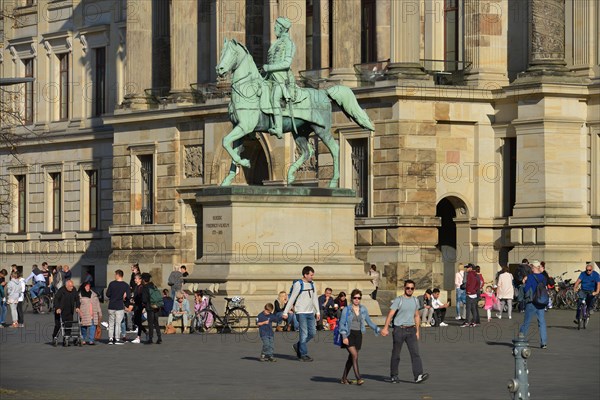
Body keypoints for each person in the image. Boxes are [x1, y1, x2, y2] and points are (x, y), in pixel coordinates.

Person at [381, 280, 429, 384]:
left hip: (411, 330)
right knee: (396, 354)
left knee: (415, 353)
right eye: (408, 288)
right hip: (399, 329)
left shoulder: (416, 301)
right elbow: (390, 314)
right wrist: (385, 328)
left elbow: (416, 316)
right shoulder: (399, 300)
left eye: (412, 288)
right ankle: (394, 375)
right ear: (404, 288)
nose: (410, 290)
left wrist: (417, 331)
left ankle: (418, 376)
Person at [262, 16, 296, 139]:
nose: (274, 28)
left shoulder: (289, 43)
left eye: (276, 26)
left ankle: (279, 128)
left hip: (282, 78)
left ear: (282, 28)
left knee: (274, 98)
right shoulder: (277, 42)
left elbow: (287, 63)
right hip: (270, 77)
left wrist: (269, 68)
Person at [338, 289, 380, 385]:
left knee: (351, 358)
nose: (357, 300)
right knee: (355, 355)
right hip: (349, 334)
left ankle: (344, 378)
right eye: (355, 298)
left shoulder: (363, 309)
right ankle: (358, 378)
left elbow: (369, 322)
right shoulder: (347, 309)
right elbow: (342, 324)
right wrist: (344, 336)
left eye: (359, 298)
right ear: (352, 298)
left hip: (358, 335)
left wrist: (377, 329)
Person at [282, 266, 320, 362]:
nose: (312, 277)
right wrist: (285, 312)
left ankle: (298, 345)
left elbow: (315, 298)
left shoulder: (313, 284)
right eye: (311, 275)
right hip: (301, 312)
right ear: (305, 275)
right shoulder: (298, 284)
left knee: (312, 333)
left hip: (310, 312)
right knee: (304, 334)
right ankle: (303, 354)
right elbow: (292, 298)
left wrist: (318, 311)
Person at [519, 261, 548, 349]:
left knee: (527, 322)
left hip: (532, 302)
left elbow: (526, 289)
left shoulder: (530, 277)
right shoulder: (543, 277)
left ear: (533, 268)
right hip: (541, 301)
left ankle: (522, 340)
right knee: (542, 322)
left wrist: (524, 283)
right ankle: (544, 342)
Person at [52, 280, 81, 346]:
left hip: (69, 311)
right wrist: (57, 308)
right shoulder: (61, 291)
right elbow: (56, 299)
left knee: (69, 325)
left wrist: (77, 307)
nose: (72, 287)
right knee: (58, 325)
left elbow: (77, 299)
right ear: (66, 286)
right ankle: (54, 336)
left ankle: (66, 338)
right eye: (70, 286)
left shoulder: (74, 290)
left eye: (72, 286)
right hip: (60, 311)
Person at [105, 269, 130, 345]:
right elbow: (128, 296)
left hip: (111, 305)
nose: (114, 276)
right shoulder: (125, 285)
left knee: (111, 322)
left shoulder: (112, 284)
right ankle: (117, 338)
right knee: (118, 323)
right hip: (119, 306)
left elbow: (107, 294)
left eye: (115, 274)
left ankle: (110, 338)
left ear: (118, 275)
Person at [141, 272, 162, 344]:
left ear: (143, 280)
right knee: (156, 322)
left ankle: (150, 338)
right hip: (156, 306)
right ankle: (159, 338)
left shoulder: (145, 287)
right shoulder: (153, 286)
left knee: (150, 323)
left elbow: (144, 299)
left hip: (150, 307)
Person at [130, 273, 147, 344]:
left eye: (136, 278)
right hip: (136, 305)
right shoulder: (136, 287)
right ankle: (146, 332)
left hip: (140, 306)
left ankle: (138, 337)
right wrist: (132, 299)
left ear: (140, 279)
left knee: (138, 321)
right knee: (136, 321)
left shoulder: (141, 287)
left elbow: (142, 297)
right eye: (134, 279)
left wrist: (144, 307)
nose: (135, 280)